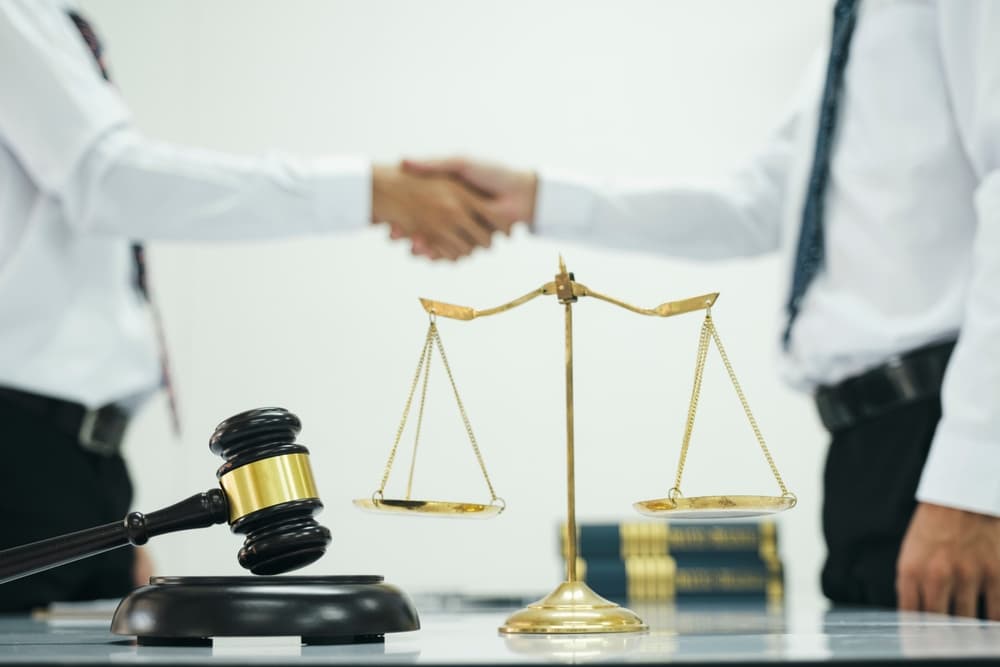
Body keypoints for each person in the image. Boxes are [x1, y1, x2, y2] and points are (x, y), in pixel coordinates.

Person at [402, 0, 1000, 619]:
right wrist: (536, 198)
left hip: (947, 434)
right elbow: (754, 202)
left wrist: (974, 483)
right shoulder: (855, 30)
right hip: (865, 448)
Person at [0, 0, 490, 611]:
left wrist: (108, 510)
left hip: (81, 464)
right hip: (19, 458)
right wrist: (371, 192)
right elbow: (108, 180)